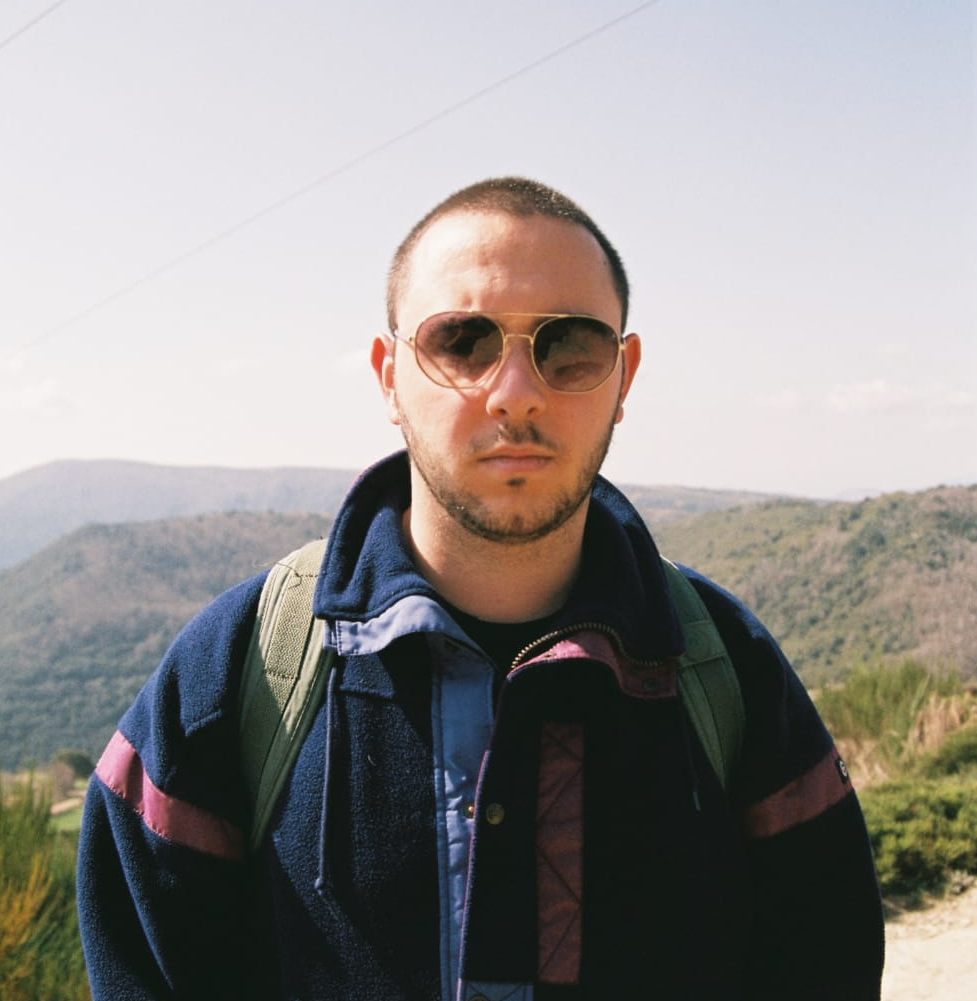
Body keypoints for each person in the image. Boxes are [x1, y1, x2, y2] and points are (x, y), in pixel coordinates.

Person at [77, 176, 885, 1000]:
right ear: (388, 376)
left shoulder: (723, 669)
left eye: (570, 345)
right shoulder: (241, 668)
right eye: (462, 342)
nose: (516, 392)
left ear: (623, 376)